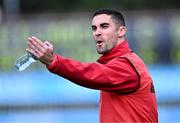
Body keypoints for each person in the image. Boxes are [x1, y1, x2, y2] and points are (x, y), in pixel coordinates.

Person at [26, 9, 158, 122]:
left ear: (121, 31)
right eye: (94, 28)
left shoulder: (126, 65)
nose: (97, 32)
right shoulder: (123, 62)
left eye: (104, 26)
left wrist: (54, 62)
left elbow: (91, 73)